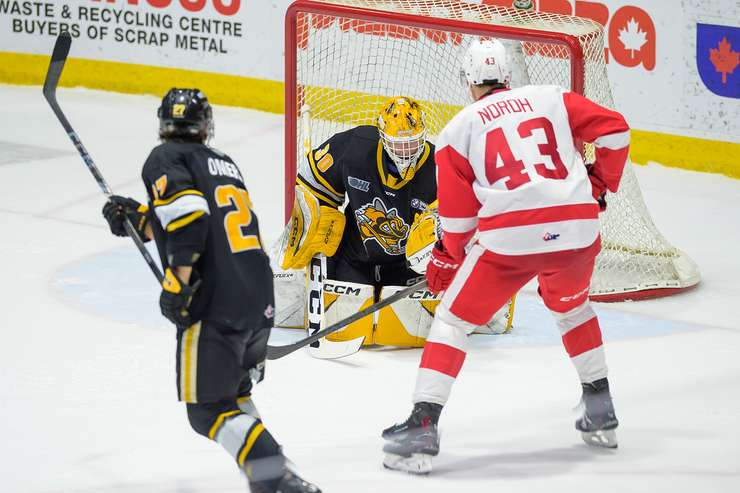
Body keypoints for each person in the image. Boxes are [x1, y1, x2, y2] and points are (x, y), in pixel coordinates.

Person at [381, 38, 629, 474]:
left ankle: (422, 427)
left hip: (512, 241)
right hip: (576, 229)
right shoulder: (551, 98)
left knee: (453, 321)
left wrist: (446, 257)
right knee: (572, 309)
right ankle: (600, 406)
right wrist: (600, 183)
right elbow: (616, 130)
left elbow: (458, 223)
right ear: (510, 76)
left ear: (469, 82)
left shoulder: (458, 129)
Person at [102, 88, 320, 493]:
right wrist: (139, 219)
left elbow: (189, 220)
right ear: (205, 127)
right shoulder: (223, 162)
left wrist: (176, 282)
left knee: (207, 410)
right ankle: (271, 473)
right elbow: (196, 218)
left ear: (164, 124)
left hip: (216, 302)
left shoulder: (164, 157)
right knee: (234, 397)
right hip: (258, 296)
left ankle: (279, 482)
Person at [276, 97, 513, 348]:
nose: (405, 152)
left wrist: (439, 241)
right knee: (348, 324)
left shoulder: (439, 167)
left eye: (411, 144)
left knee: (409, 335)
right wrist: (312, 222)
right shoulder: (354, 148)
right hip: (355, 256)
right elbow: (311, 180)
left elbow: (467, 217)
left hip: (406, 267)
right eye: (397, 145)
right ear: (382, 137)